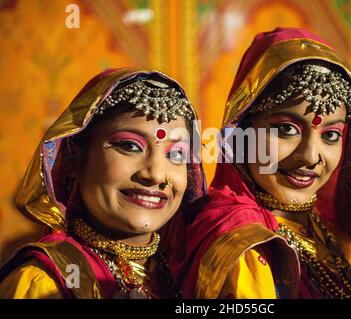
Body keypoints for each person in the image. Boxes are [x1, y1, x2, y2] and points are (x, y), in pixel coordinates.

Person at [175, 28, 351, 299]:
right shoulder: (244, 245)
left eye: (330, 135)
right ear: (241, 131)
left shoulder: (334, 239)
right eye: (286, 129)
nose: (309, 156)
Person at [0, 68, 206, 299]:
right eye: (130, 146)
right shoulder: (44, 282)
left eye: (177, 155)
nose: (156, 175)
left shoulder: (184, 275)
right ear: (73, 157)